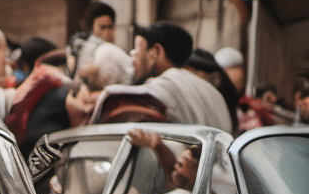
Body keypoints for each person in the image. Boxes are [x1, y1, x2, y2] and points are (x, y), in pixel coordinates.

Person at [92, 21, 231, 132]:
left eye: (138, 48)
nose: (132, 54)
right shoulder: (211, 91)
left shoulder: (164, 86)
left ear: (155, 52)